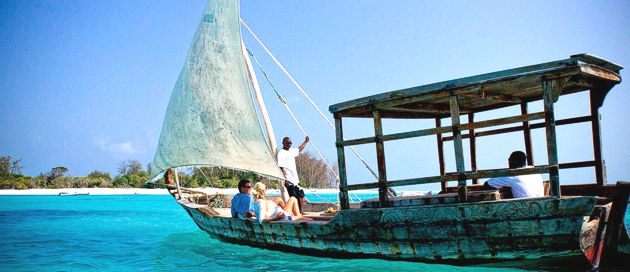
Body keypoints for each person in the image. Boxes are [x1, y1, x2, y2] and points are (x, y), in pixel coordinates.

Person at [277, 136, 309, 212]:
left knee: (300, 194)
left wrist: (305, 142)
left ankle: (301, 211)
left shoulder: (291, 151)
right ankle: (295, 212)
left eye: (290, 143)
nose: (289, 144)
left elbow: (299, 149)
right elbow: (281, 168)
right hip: (288, 179)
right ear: (283, 143)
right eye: (287, 143)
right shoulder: (281, 153)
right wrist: (284, 180)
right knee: (293, 196)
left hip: (295, 179)